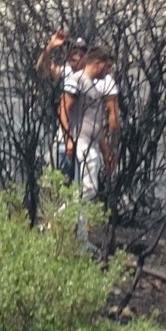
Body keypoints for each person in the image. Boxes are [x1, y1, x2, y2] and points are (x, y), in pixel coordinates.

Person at [58, 45, 119, 207]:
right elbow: (63, 109)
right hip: (80, 142)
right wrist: (68, 139)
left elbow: (96, 124)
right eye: (107, 67)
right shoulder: (77, 80)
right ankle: (59, 218)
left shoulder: (94, 87)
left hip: (92, 144)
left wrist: (106, 151)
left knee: (86, 191)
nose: (108, 72)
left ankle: (77, 223)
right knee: (87, 189)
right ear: (98, 64)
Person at [37, 31, 88, 179]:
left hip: (83, 142)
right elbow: (42, 69)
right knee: (58, 185)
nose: (75, 55)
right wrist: (50, 47)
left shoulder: (91, 78)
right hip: (62, 141)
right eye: (72, 51)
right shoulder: (67, 72)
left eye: (80, 52)